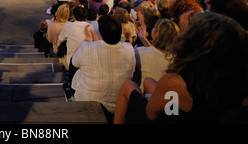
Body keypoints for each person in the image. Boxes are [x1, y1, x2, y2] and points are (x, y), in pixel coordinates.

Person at [114, 12, 248, 124]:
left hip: (162, 114)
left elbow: (150, 114)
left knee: (128, 85)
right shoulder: (239, 88)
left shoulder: (176, 82)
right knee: (148, 81)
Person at [71, 14, 135, 115]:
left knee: (78, 69)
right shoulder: (129, 49)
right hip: (118, 104)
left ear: (101, 33)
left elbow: (74, 62)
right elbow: (128, 46)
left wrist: (87, 39)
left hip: (89, 101)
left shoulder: (87, 48)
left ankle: (71, 92)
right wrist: (128, 38)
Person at [133, 19, 179, 90]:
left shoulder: (139, 52)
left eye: (155, 27)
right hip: (165, 98)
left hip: (142, 97)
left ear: (156, 34)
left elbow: (152, 52)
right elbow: (157, 52)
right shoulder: (177, 60)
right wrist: (143, 38)